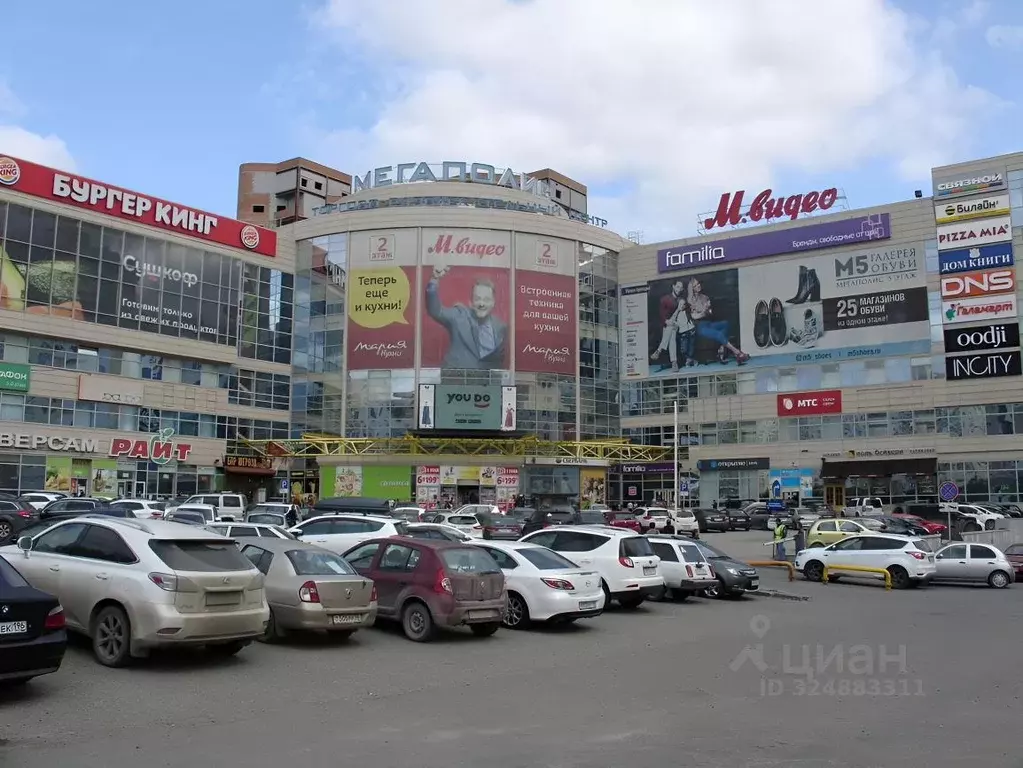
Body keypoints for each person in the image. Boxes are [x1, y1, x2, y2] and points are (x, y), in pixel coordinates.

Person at [425, 264, 507, 369]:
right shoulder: (459, 316)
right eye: (477, 299)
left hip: (488, 383)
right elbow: (436, 311)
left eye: (486, 300)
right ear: (470, 301)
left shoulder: (500, 327)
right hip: (457, 380)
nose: (481, 304)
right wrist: (434, 279)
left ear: (493, 302)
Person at [686, 277, 750, 365]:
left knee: (726, 324)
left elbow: (709, 313)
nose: (698, 286)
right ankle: (737, 353)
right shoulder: (690, 301)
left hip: (708, 323)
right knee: (719, 334)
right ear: (692, 289)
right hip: (700, 327)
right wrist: (704, 310)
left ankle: (721, 348)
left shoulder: (705, 297)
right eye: (696, 285)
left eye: (698, 283)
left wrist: (707, 310)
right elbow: (695, 317)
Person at [650, 280, 696, 372]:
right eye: (677, 287)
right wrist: (666, 321)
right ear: (673, 286)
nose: (679, 289)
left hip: (679, 324)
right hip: (667, 325)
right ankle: (674, 363)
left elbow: (681, 314)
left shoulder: (681, 300)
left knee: (671, 327)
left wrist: (674, 316)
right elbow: (661, 314)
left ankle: (659, 350)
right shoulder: (665, 299)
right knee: (671, 333)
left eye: (681, 287)